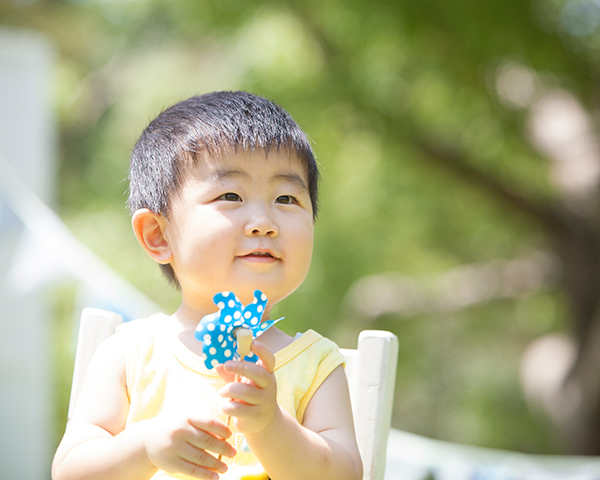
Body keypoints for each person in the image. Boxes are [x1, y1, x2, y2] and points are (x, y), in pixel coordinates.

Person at [52, 91, 363, 480]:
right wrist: (145, 445)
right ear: (158, 235)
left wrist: (270, 425)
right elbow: (70, 472)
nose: (263, 222)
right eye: (231, 195)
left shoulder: (315, 364)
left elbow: (345, 474)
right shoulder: (130, 355)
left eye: (286, 198)